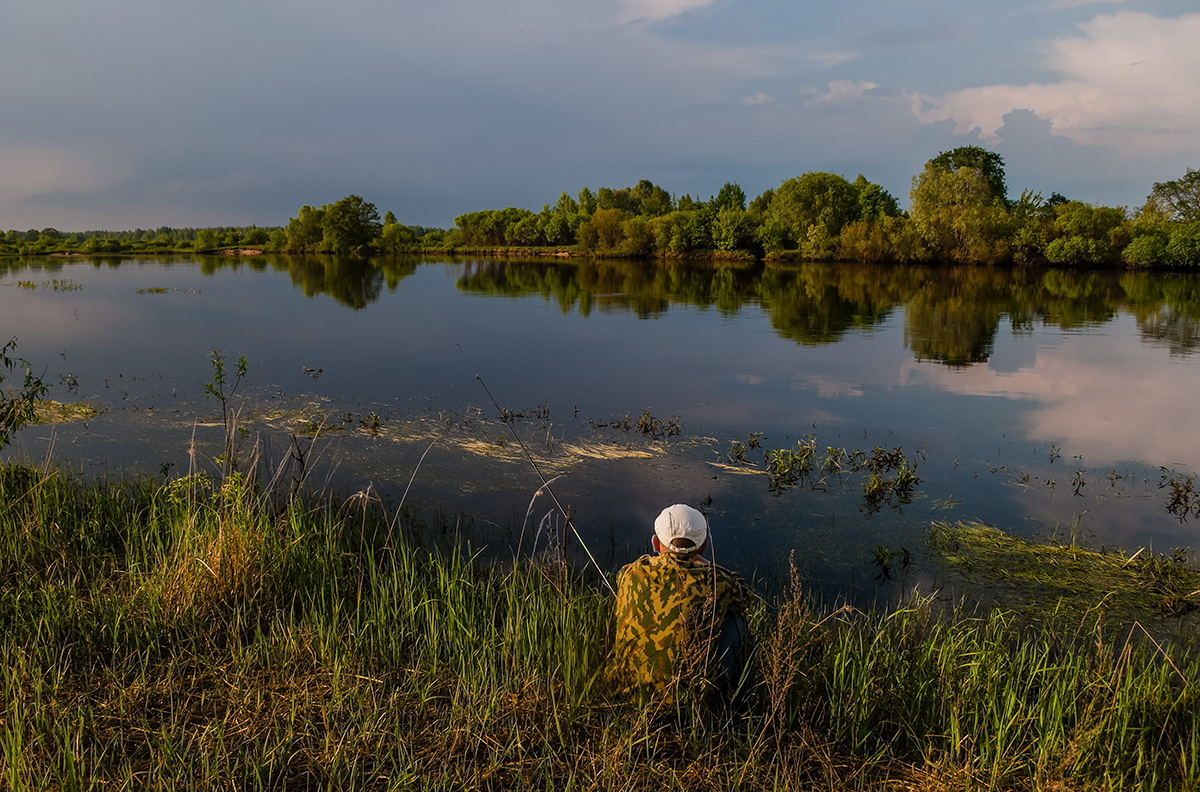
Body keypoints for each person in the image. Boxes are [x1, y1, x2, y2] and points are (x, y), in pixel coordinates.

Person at [607, 503, 754, 700]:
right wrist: (707, 565)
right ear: (703, 547)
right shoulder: (718, 582)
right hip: (686, 703)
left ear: (655, 543)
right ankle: (727, 692)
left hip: (624, 693)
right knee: (735, 618)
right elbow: (745, 597)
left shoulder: (630, 573)